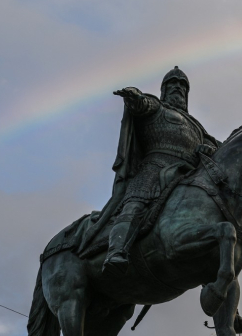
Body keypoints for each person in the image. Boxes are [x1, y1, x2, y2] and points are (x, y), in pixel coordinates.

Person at [80, 66, 221, 276]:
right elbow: (142, 105)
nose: (177, 88)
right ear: (164, 89)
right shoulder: (157, 107)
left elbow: (220, 148)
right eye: (172, 84)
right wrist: (135, 97)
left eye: (182, 85)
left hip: (187, 174)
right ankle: (116, 251)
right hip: (154, 167)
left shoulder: (196, 126)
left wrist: (208, 148)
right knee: (134, 205)